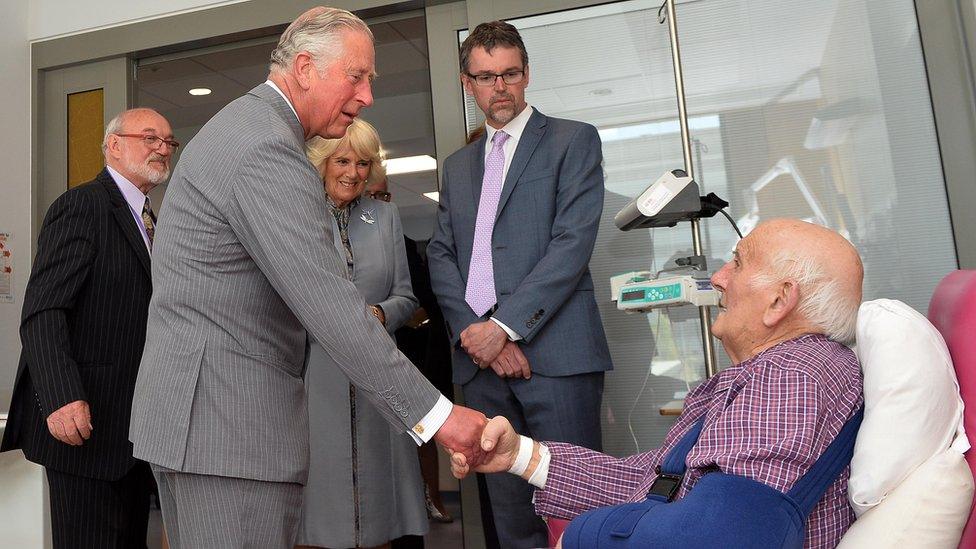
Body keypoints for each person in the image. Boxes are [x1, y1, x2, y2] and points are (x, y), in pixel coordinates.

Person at [127, 8, 487, 549]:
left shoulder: (246, 131)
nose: (367, 96)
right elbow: (332, 309)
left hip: (210, 427)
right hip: (229, 433)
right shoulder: (265, 149)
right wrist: (440, 418)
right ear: (304, 68)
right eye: (357, 75)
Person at [451, 219, 865, 549]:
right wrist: (519, 455)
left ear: (779, 301)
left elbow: (718, 537)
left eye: (737, 263)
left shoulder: (790, 379)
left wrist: (580, 538)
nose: (719, 278)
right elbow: (655, 483)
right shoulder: (785, 371)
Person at [426, 20, 612, 548]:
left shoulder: (572, 140)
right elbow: (442, 255)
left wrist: (505, 327)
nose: (499, 87)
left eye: (509, 73)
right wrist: (477, 334)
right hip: (483, 369)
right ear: (468, 84)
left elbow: (571, 245)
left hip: (558, 359)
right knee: (511, 520)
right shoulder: (458, 166)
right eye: (486, 77)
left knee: (576, 511)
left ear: (527, 74)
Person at [1, 108, 175, 548]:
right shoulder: (82, 205)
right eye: (149, 137)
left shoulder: (157, 222)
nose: (162, 148)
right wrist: (60, 397)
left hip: (138, 431)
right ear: (113, 145)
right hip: (85, 428)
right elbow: (43, 310)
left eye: (169, 142)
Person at [297, 119, 427, 549]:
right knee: (323, 497)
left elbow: (406, 297)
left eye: (362, 163)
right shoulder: (296, 217)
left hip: (380, 373)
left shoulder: (385, 217)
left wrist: (380, 313)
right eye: (342, 160)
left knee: (381, 495)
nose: (353, 172)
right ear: (321, 163)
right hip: (317, 371)